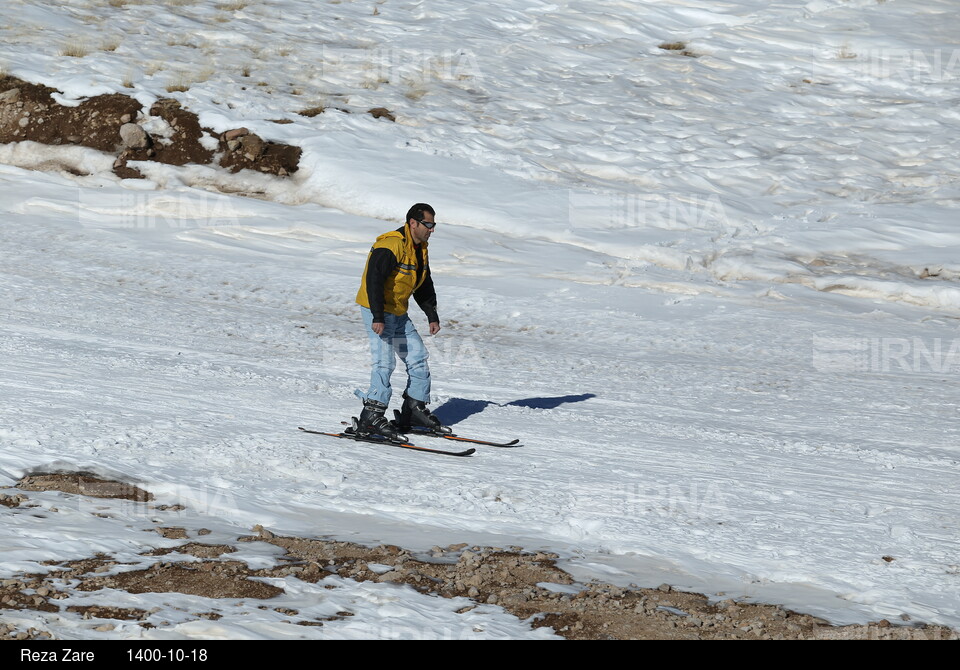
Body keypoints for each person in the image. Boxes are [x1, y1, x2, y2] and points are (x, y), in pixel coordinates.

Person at [353, 203, 449, 441]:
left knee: (417, 358)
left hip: (397, 312)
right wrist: (377, 316)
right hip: (378, 311)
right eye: (428, 224)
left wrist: (432, 314)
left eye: (433, 225)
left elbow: (424, 283)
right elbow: (373, 280)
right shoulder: (390, 245)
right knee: (384, 363)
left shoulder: (420, 248)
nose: (431, 230)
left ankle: (413, 411)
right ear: (413, 223)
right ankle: (371, 416)